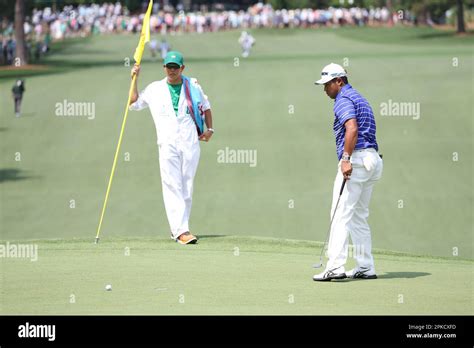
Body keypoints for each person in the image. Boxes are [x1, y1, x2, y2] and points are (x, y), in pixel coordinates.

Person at [129, 51, 214, 245]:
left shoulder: (193, 86)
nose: (172, 70)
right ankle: (180, 230)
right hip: (167, 143)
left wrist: (210, 129)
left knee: (187, 184)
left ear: (182, 68)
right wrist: (135, 78)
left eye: (175, 67)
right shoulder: (154, 89)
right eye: (169, 66)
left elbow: (207, 106)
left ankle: (180, 228)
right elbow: (133, 103)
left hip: (190, 141)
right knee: (171, 184)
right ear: (164, 68)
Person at [313, 63, 383, 281]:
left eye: (327, 84)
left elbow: (351, 128)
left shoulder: (343, 99)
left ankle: (335, 266)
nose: (325, 89)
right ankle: (365, 266)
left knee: (339, 215)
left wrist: (345, 159)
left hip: (356, 161)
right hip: (372, 161)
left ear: (339, 81)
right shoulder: (359, 97)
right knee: (358, 217)